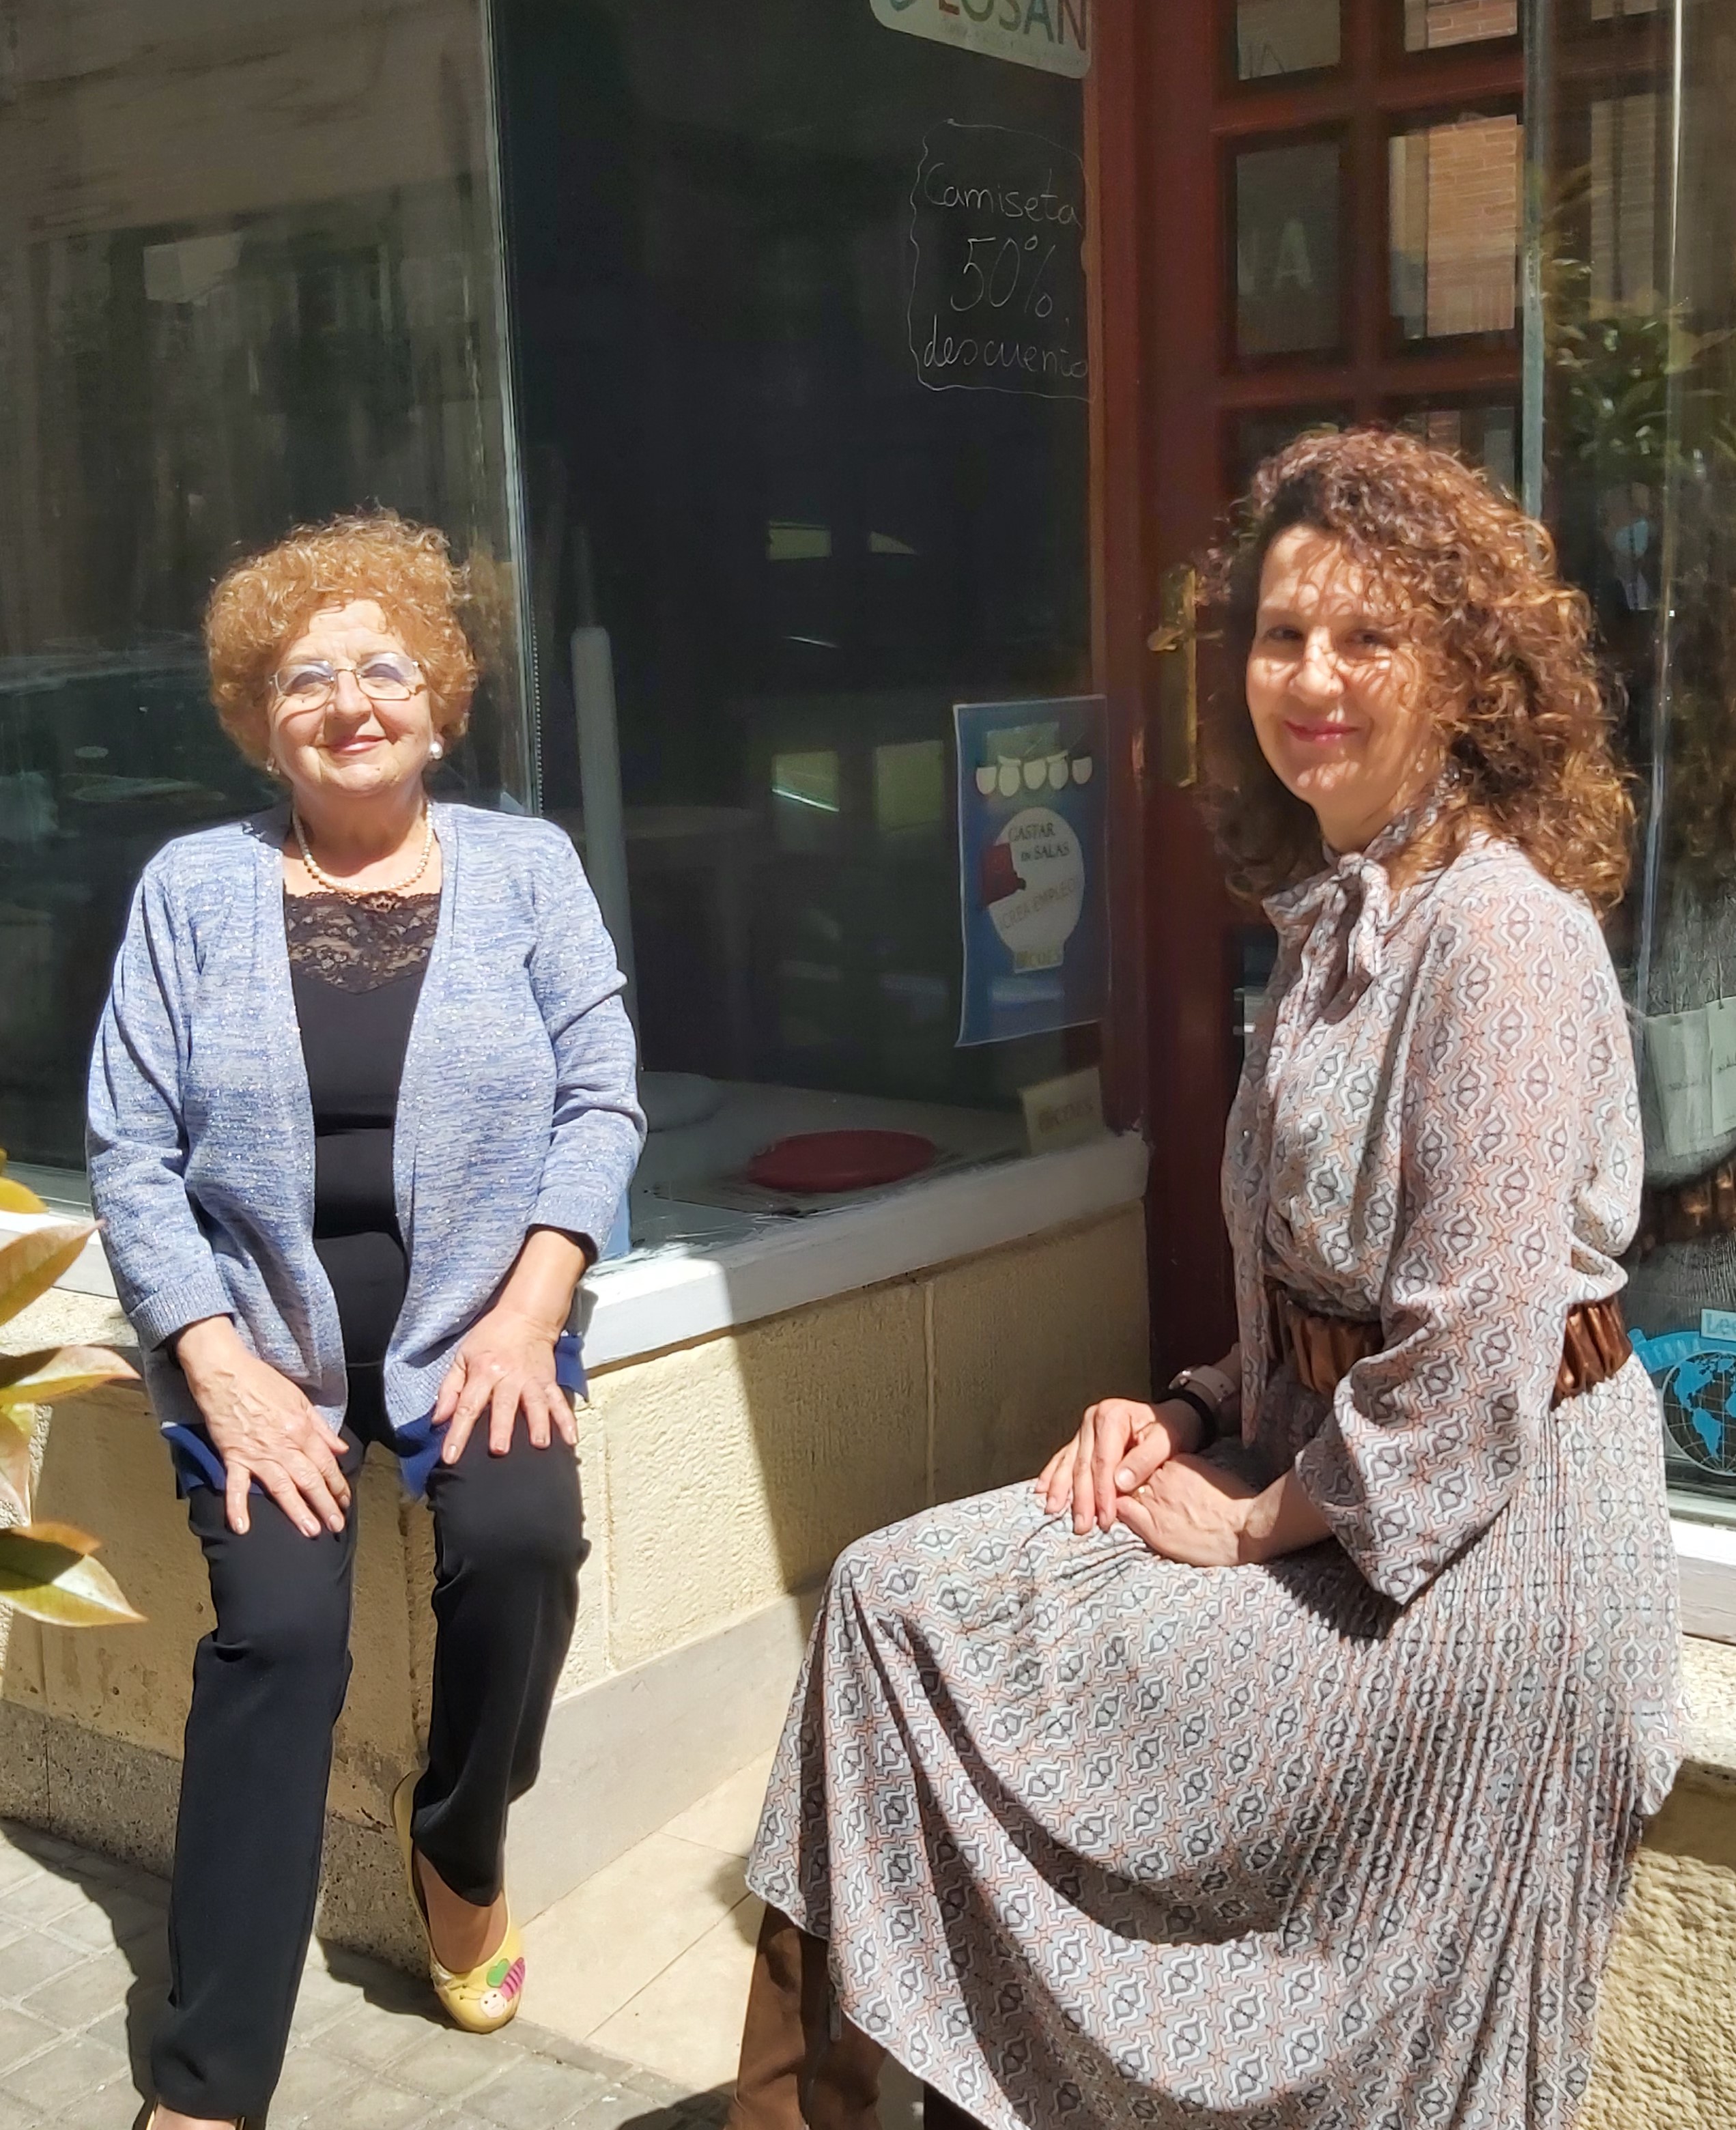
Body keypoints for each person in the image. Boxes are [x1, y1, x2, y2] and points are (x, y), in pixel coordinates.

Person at [727, 429, 1682, 2130]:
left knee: (922, 1620)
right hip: (1354, 1476)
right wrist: (1184, 1409)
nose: (1309, 677)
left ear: (1464, 668)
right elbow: (1323, 1292)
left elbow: (1464, 1375)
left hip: (1483, 1557)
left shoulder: (1498, 934)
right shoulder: (1340, 915)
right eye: (1279, 634)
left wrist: (1250, 1517)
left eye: (1366, 637)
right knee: (897, 1598)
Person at [87, 511, 644, 2130]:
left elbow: (602, 1102)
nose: (349, 701)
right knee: (280, 1631)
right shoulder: (192, 890)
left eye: (383, 667)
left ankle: (456, 1853)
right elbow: (127, 1148)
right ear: (262, 715)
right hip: (258, 1335)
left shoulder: (527, 870)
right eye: (306, 676)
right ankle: (207, 2080)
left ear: (440, 702)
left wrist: (530, 1305)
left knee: (523, 1538)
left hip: (481, 1317)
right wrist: (213, 1358)